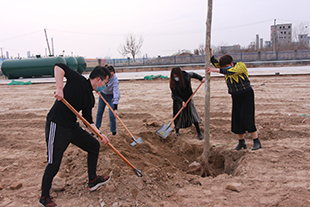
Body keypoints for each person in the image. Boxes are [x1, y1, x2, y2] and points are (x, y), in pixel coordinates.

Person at [39, 63, 111, 207]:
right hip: (57, 124)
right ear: (98, 80)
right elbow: (58, 66)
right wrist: (59, 88)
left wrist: (100, 134)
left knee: (93, 145)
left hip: (72, 127)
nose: (105, 85)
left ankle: (92, 180)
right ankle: (44, 197)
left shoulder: (90, 99)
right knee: (54, 163)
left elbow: (88, 121)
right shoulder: (78, 80)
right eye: (105, 82)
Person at [206, 48, 262, 151]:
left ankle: (256, 141)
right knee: (237, 119)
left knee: (247, 117)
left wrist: (217, 70)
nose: (224, 68)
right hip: (235, 96)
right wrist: (211, 55)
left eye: (226, 66)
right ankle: (241, 142)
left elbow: (230, 71)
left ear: (231, 63)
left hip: (246, 94)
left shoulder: (240, 66)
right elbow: (217, 65)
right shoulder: (223, 68)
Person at [170, 67, 205, 140]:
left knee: (193, 114)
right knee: (178, 115)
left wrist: (201, 78)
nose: (176, 78)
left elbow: (194, 74)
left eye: (177, 76)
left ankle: (199, 132)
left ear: (180, 75)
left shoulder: (186, 75)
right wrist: (181, 101)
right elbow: (175, 94)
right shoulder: (172, 82)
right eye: (174, 76)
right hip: (178, 100)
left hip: (188, 97)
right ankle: (177, 130)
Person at [95, 65, 120, 135]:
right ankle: (96, 128)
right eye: (110, 75)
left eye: (112, 75)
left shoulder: (115, 80)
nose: (111, 76)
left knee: (112, 114)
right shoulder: (102, 76)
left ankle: (113, 131)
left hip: (111, 96)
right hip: (102, 94)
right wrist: (97, 89)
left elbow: (116, 92)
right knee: (99, 112)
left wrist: (115, 108)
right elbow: (97, 82)